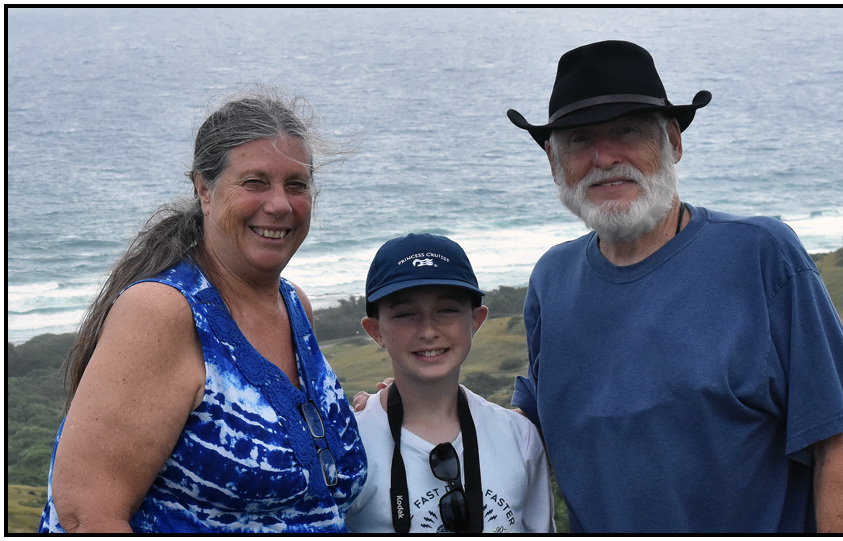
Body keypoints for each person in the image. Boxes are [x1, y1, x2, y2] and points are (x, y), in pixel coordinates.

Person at [505, 40, 843, 533]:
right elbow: (531, 433)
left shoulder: (761, 255)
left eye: (627, 131)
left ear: (673, 142)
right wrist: (421, 406)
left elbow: (840, 443)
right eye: (579, 140)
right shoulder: (550, 279)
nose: (604, 157)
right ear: (554, 162)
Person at [38, 89, 367, 533]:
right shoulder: (163, 312)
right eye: (255, 182)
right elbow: (86, 514)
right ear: (204, 190)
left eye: (296, 184)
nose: (280, 204)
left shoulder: (294, 306)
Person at [344, 233, 554, 533]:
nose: (428, 331)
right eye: (405, 314)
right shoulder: (350, 446)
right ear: (375, 330)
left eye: (447, 310)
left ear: (476, 320)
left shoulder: (519, 437)